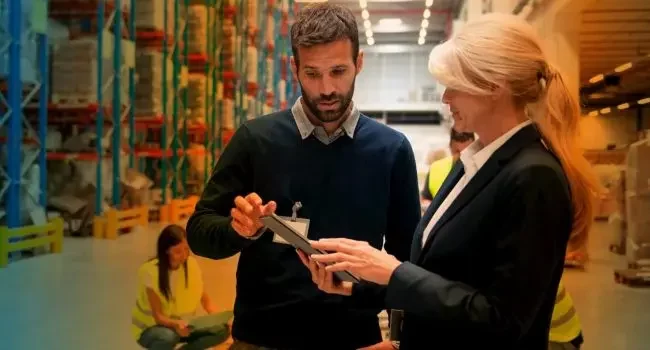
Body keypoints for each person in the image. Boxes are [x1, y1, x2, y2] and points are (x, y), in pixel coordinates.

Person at [298, 13, 602, 350]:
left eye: (454, 85)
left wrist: (393, 272)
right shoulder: (472, 164)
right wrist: (359, 287)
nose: (445, 98)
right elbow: (446, 280)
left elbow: (504, 321)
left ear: (492, 86)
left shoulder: (533, 176)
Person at [185, 3, 421, 349]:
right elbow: (198, 233)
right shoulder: (256, 140)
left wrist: (399, 339)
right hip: (262, 339)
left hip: (355, 340)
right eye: (312, 74)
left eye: (338, 71)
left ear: (359, 63)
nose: (326, 89)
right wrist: (238, 231)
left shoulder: (391, 150)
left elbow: (407, 266)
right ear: (294, 67)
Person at [132, 224, 231, 350]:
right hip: (152, 328)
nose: (184, 256)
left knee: (222, 330)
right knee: (168, 337)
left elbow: (206, 302)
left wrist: (222, 319)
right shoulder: (150, 272)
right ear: (167, 250)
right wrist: (176, 325)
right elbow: (158, 317)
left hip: (184, 325)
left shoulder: (192, 265)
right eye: (178, 252)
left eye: (186, 250)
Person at [420, 128, 475, 208]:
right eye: (458, 152)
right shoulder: (436, 168)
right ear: (450, 148)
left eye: (467, 151)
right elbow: (425, 198)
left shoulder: (481, 168)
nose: (462, 156)